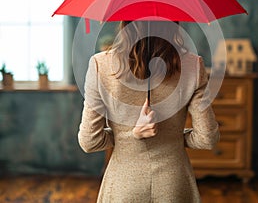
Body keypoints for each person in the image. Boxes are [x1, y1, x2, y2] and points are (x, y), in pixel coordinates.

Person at [78, 21, 219, 203]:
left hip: (123, 185)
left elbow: (90, 141)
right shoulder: (194, 65)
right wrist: (172, 138)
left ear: (125, 22)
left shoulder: (100, 65)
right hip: (174, 183)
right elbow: (207, 138)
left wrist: (125, 137)